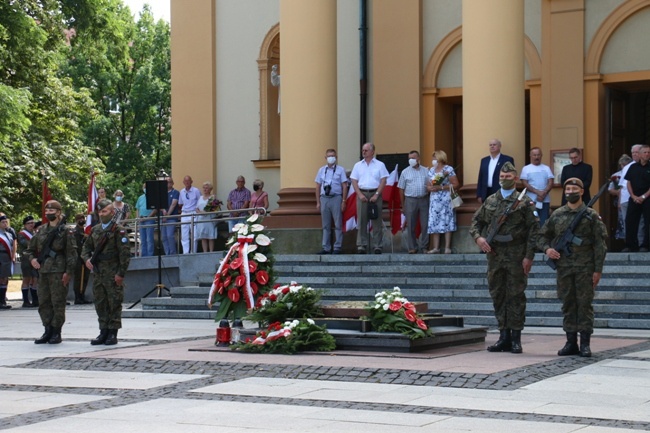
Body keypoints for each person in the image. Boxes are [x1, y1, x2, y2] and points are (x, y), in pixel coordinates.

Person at [469, 162, 539, 354]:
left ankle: (516, 338)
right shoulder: (491, 201)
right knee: (498, 295)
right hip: (495, 256)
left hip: (517, 256)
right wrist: (479, 238)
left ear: (515, 179)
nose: (504, 179)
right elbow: (475, 222)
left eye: (508, 177)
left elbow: (534, 231)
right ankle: (503, 336)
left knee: (516, 296)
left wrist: (529, 256)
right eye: (502, 176)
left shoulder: (524, 202)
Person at [539, 178, 607, 357]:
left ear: (582, 191)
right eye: (567, 189)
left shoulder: (591, 215)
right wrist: (548, 249)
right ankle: (571, 342)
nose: (570, 191)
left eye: (574, 188)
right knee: (568, 303)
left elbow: (600, 245)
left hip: (585, 269)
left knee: (584, 305)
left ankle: (585, 343)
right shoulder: (557, 214)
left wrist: (597, 270)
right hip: (564, 268)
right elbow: (541, 236)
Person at [23, 201, 77, 344]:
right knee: (44, 302)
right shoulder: (41, 230)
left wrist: (68, 272)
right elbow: (29, 250)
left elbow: (71, 254)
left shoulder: (66, 231)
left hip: (59, 271)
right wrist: (33, 259)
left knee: (57, 302)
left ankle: (56, 331)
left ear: (59, 212)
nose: (48, 213)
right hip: (43, 271)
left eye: (52, 210)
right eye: (47, 211)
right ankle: (47, 330)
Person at [81, 199, 131, 346]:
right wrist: (86, 259)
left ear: (113, 212)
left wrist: (121, 273)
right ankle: (103, 331)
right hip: (98, 272)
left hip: (112, 272)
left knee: (114, 302)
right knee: (100, 302)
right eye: (100, 212)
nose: (102, 214)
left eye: (105, 211)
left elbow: (124, 254)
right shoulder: (95, 230)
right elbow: (85, 248)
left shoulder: (118, 230)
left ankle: (112, 332)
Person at [350, 142, 389, 254]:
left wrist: (377, 194)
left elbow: (383, 180)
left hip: (375, 193)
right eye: (363, 150)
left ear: (372, 151)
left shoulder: (379, 165)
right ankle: (361, 245)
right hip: (362, 193)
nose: (364, 152)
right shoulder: (358, 165)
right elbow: (354, 180)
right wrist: (360, 194)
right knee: (362, 220)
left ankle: (377, 245)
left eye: (366, 150)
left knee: (376, 220)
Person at [315, 149, 348, 254]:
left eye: (333, 156)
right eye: (329, 156)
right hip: (324, 198)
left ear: (336, 157)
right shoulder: (321, 170)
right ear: (325, 158)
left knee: (338, 223)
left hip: (336, 197)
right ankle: (326, 247)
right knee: (325, 224)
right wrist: (318, 202)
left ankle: (337, 246)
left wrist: (344, 200)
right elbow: (317, 186)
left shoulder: (340, 170)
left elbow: (344, 185)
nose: (331, 158)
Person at [426, 150, 459, 254]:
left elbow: (455, 184)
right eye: (433, 158)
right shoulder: (431, 170)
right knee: (435, 221)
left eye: (435, 158)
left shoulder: (448, 169)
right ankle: (436, 247)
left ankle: (447, 247)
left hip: (445, 199)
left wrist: (441, 187)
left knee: (446, 220)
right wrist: (429, 188)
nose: (433, 160)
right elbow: (428, 184)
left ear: (440, 158)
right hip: (434, 200)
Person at [397, 150, 429, 254]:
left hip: (424, 199)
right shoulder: (405, 172)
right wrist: (403, 205)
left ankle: (425, 246)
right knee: (411, 224)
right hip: (410, 200)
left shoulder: (426, 170)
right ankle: (412, 247)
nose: (411, 160)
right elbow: (401, 188)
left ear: (418, 159)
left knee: (425, 224)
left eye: (413, 158)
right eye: (409, 158)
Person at [623, 144, 650, 252]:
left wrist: (643, 197)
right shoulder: (632, 167)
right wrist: (633, 196)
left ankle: (646, 245)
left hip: (647, 198)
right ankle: (630, 245)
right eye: (645, 152)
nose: (647, 154)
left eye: (649, 152)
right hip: (634, 198)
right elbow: (628, 182)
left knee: (648, 222)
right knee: (630, 221)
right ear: (639, 154)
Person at [520, 147, 554, 226]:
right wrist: (538, 192)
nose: (536, 157)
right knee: (531, 222)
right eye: (534, 155)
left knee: (543, 222)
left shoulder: (546, 168)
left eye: (538, 155)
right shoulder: (526, 168)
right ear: (530, 156)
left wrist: (543, 194)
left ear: (541, 156)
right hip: (531, 200)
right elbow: (524, 183)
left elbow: (550, 182)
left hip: (544, 200)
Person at [619, 145, 645, 247]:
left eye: (637, 152)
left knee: (641, 223)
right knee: (628, 223)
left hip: (641, 198)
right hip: (626, 199)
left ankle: (641, 244)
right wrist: (620, 201)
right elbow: (622, 186)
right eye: (633, 152)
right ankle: (630, 244)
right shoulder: (627, 167)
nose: (635, 154)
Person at [476, 139, 515, 203]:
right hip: (486, 193)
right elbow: (481, 177)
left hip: (501, 192)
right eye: (490, 145)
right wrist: (479, 194)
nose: (492, 146)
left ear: (499, 146)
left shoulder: (507, 159)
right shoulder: (484, 160)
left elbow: (511, 178)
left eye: (494, 145)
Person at [608, 154, 632, 241]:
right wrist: (618, 192)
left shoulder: (633, 171)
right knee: (623, 221)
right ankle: (625, 240)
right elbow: (610, 189)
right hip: (621, 201)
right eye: (622, 164)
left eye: (626, 164)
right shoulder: (616, 175)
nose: (624, 166)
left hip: (632, 199)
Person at [17, 215, 38, 307]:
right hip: (26, 258)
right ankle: (25, 301)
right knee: (27, 278)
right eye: (29, 223)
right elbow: (25, 244)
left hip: (35, 258)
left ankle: (35, 300)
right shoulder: (22, 234)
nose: (31, 225)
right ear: (25, 225)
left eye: (32, 223)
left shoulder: (35, 233)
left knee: (35, 278)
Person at [178, 175, 201, 254]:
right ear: (183, 182)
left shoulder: (196, 190)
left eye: (188, 181)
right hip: (184, 213)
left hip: (193, 213)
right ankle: (186, 252)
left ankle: (193, 252)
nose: (187, 182)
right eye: (185, 181)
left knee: (194, 235)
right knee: (184, 235)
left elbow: (200, 201)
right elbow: (180, 203)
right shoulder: (181, 191)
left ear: (191, 181)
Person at [194, 181, 218, 253]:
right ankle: (205, 252)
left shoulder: (212, 197)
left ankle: (211, 251)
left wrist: (205, 212)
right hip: (201, 219)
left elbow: (212, 207)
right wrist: (199, 212)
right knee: (203, 236)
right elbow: (197, 207)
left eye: (206, 188)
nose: (205, 189)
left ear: (210, 189)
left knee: (210, 236)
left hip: (209, 218)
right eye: (204, 188)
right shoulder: (200, 197)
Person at [0, 212, 17, 310]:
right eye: (3, 222)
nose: (5, 224)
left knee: (5, 279)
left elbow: (13, 245)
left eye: (6, 222)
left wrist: (13, 256)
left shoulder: (9, 233)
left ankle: (2, 300)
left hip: (6, 257)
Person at [71, 213, 90, 304]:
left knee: (85, 277)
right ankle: (77, 297)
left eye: (83, 218)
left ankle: (82, 295)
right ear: (76, 220)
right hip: (78, 257)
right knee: (78, 278)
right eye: (79, 219)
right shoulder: (75, 232)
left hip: (86, 257)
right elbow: (75, 246)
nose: (82, 220)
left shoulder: (86, 231)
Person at [135, 183, 155, 257]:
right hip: (141, 220)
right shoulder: (140, 197)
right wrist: (138, 218)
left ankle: (150, 255)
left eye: (146, 187)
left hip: (149, 219)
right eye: (144, 187)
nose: (145, 188)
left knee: (149, 239)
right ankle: (144, 255)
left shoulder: (153, 197)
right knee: (142, 239)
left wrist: (148, 217)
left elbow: (155, 209)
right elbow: (137, 208)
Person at [162, 177, 180, 255]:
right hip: (163, 218)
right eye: (166, 182)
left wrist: (167, 215)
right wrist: (163, 210)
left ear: (172, 183)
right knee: (163, 237)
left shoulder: (175, 192)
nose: (167, 183)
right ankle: (167, 253)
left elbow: (173, 204)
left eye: (169, 182)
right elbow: (159, 204)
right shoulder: (162, 192)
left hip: (171, 218)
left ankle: (173, 253)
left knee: (170, 235)